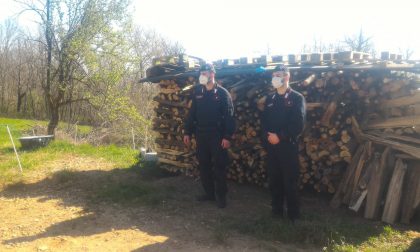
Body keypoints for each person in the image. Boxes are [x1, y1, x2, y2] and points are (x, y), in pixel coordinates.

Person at [183, 63, 235, 208]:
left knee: (219, 166)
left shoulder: (223, 94)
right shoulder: (199, 92)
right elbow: (192, 113)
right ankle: (209, 194)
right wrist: (187, 131)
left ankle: (221, 196)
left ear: (212, 74)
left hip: (217, 135)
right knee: (204, 165)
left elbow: (229, 116)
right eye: (201, 73)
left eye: (205, 73)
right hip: (201, 134)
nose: (202, 76)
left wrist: (227, 136)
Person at [261, 64, 306, 222]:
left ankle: (294, 215)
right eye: (273, 75)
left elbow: (298, 124)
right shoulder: (270, 99)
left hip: (287, 146)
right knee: (274, 180)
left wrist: (280, 136)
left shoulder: (296, 98)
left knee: (290, 181)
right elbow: (264, 121)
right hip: (272, 147)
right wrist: (267, 139)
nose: (275, 78)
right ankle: (276, 211)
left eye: (278, 74)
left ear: (286, 77)